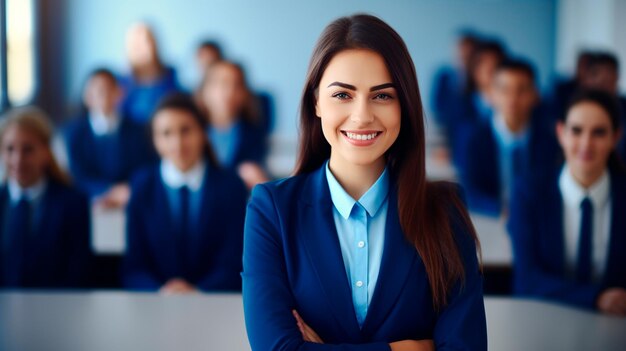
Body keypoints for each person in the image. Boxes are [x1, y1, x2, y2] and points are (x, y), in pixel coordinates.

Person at [243, 14, 486, 350]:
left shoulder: (445, 211)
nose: (362, 115)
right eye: (343, 95)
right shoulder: (272, 210)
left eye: (382, 96)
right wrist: (407, 348)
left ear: (405, 106)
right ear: (316, 102)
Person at [508, 90, 626, 316]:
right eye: (576, 130)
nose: (586, 144)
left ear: (616, 137)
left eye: (599, 133)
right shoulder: (528, 192)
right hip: (543, 319)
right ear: (560, 133)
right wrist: (596, 298)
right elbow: (526, 280)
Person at [123, 93, 247, 293]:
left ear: (204, 132)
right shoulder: (142, 185)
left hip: (214, 305)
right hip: (155, 305)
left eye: (186, 130)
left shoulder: (230, 186)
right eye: (166, 133)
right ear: (154, 140)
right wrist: (161, 292)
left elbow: (233, 263)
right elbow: (134, 267)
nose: (177, 143)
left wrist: (197, 292)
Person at [0, 107, 90, 288]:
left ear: (46, 151)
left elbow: (78, 275)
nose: (18, 160)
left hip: (56, 309)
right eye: (10, 149)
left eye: (28, 150)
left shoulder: (73, 203)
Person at [461, 58, 559, 216]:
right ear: (492, 93)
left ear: (535, 95)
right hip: (491, 220)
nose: (513, 98)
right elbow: (470, 192)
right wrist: (501, 210)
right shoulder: (473, 138)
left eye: (521, 90)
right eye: (504, 90)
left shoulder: (549, 140)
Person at [64, 68, 157, 208]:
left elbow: (145, 168)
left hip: (132, 200)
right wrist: (106, 191)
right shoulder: (74, 133)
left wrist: (129, 190)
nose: (103, 95)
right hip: (90, 203)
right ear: (86, 97)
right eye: (96, 91)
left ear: (120, 93)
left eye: (108, 89)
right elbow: (77, 176)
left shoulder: (139, 130)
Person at [199, 60, 270, 189]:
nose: (229, 91)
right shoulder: (191, 131)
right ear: (205, 91)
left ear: (245, 94)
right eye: (221, 84)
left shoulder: (254, 134)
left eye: (236, 85)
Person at [120, 23, 181, 124]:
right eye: (137, 44)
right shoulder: (121, 86)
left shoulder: (172, 79)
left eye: (147, 40)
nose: (144, 47)